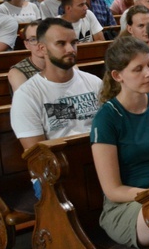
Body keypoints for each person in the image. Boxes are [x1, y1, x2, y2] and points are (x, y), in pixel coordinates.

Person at [91, 36, 149, 248]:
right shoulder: (108, 117)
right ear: (117, 76)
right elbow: (112, 189)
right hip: (127, 205)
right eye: (138, 69)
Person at [11, 18, 102, 152]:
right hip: (62, 165)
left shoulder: (94, 82)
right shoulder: (26, 96)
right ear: (43, 48)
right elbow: (38, 154)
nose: (71, 49)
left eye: (73, 43)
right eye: (61, 44)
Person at [8, 22, 45, 92]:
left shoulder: (63, 64)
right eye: (33, 39)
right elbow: (25, 101)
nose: (39, 43)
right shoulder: (18, 72)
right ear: (27, 44)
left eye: (43, 37)